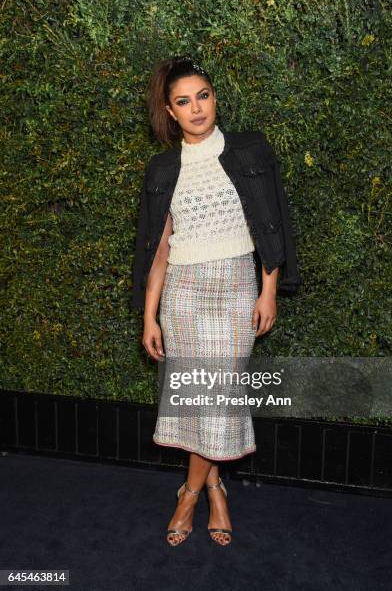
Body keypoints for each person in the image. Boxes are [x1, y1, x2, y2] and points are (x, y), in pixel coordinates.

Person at [133, 55, 300, 546]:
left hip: (234, 288)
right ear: (170, 110)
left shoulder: (250, 150)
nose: (196, 108)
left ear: (215, 97)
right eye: (183, 102)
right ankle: (214, 490)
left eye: (203, 96)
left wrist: (269, 289)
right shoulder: (163, 167)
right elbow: (158, 247)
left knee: (216, 397)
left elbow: (271, 224)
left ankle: (189, 491)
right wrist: (149, 316)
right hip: (182, 294)